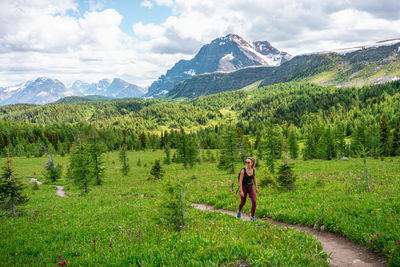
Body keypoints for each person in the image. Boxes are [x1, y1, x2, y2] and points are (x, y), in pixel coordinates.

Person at [237, 157, 259, 221]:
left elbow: (254, 178)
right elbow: (240, 181)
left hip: (250, 187)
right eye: (246, 162)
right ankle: (239, 211)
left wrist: (256, 187)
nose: (247, 163)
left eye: (248, 162)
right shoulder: (243, 170)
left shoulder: (253, 170)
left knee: (254, 201)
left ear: (252, 163)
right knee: (243, 202)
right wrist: (241, 191)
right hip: (243, 187)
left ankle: (252, 217)